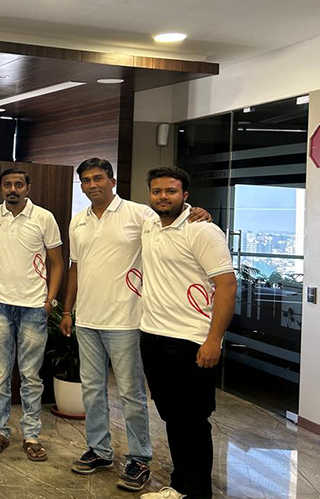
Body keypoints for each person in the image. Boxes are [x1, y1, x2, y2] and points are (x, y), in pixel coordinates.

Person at [62, 158, 211, 492]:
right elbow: (75, 267)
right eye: (86, 180)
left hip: (127, 320)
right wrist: (68, 310)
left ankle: (139, 458)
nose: (92, 185)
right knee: (92, 390)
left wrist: (197, 212)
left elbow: (173, 220)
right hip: (87, 319)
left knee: (131, 394)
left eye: (98, 178)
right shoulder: (78, 221)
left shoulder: (139, 214)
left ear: (112, 181)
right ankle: (99, 450)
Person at [138, 166, 236, 499]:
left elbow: (227, 285)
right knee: (172, 417)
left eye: (170, 191)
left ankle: (196, 492)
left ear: (185, 195)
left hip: (190, 341)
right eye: (157, 191)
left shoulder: (202, 231)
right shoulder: (150, 226)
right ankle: (180, 486)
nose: (162, 197)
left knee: (192, 421)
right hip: (153, 337)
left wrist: (214, 340)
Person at [0, 168, 63, 462]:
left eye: (18, 184)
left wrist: (49, 301)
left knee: (30, 376)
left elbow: (57, 262)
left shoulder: (44, 217)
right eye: (7, 185)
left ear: (28, 187)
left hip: (33, 307)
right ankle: (0, 431)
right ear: (1, 188)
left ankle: (31, 436)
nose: (12, 189)